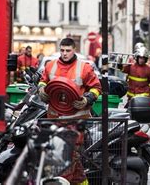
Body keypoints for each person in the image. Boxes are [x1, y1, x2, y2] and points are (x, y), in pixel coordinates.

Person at [38, 37, 102, 184]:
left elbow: (97, 87)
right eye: (62, 50)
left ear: (74, 50)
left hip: (76, 121)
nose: (65, 53)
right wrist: (41, 88)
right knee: (72, 159)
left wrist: (87, 99)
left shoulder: (84, 68)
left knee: (66, 157)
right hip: (55, 119)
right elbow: (43, 80)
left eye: (68, 50)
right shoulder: (50, 65)